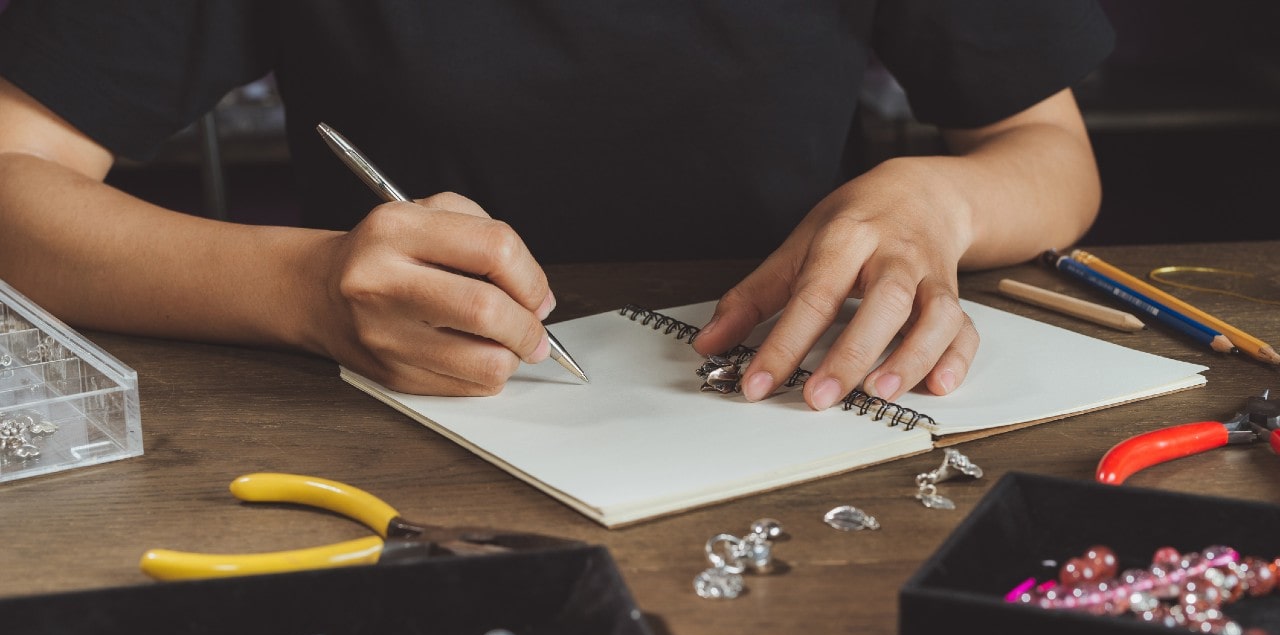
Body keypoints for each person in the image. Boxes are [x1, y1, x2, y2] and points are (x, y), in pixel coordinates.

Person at [0, 2, 1113, 407]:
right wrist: (297, 289)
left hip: (776, 400)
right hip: (391, 415)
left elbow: (1046, 154)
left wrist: (936, 203)